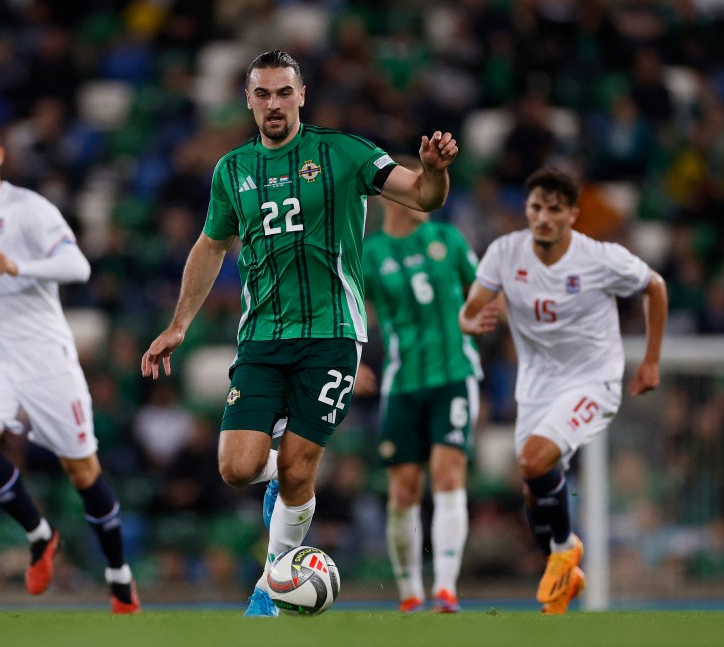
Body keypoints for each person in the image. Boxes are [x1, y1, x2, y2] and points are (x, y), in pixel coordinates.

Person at [140, 50, 458, 617]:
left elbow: (424, 197)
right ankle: (277, 480)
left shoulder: (345, 153)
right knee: (236, 468)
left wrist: (434, 170)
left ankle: (268, 590)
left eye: (283, 92)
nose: (273, 104)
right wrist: (178, 324)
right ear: (248, 101)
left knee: (297, 466)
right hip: (260, 338)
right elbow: (211, 245)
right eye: (262, 94)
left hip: (332, 333)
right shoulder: (231, 171)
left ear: (301, 95)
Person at [0, 119, 139, 614]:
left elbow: (78, 267)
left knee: (82, 471)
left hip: (44, 357)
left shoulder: (29, 209)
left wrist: (21, 267)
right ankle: (41, 535)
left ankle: (119, 574)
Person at [459, 165, 668, 614]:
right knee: (533, 488)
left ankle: (562, 551)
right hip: (536, 385)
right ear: (527, 210)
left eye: (554, 209)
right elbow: (469, 310)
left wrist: (650, 360)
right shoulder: (504, 253)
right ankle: (563, 562)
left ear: (572, 214)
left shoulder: (599, 258)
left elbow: (655, 286)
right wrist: (471, 320)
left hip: (594, 379)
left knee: (534, 459)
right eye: (536, 207)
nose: (543, 217)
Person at [356, 156, 481, 613]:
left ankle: (446, 588)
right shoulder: (369, 255)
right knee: (404, 489)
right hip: (402, 383)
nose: (427, 194)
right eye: (420, 183)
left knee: (449, 477)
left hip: (453, 376)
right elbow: (347, 314)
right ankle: (410, 591)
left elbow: (484, 292)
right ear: (393, 193)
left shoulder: (447, 239)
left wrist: (485, 314)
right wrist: (349, 366)